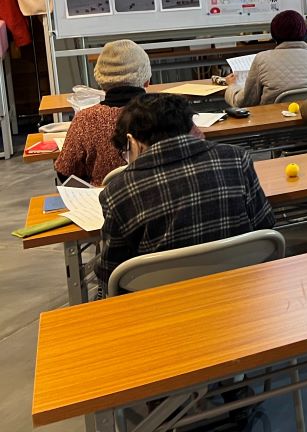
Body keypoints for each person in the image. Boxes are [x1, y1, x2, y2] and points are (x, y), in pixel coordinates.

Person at [95, 94, 275, 288]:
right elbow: (265, 225)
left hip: (162, 298)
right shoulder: (237, 158)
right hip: (241, 288)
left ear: (131, 141)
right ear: (190, 127)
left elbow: (110, 273)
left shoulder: (118, 192)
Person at [55, 39, 151, 185]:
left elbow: (65, 173)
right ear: (147, 80)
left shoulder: (85, 119)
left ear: (101, 83)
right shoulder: (165, 113)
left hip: (101, 197)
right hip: (157, 195)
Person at [225, 10, 307, 107]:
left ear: (274, 35)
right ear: (305, 32)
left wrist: (232, 86)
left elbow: (244, 102)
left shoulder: (261, 59)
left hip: (273, 121)